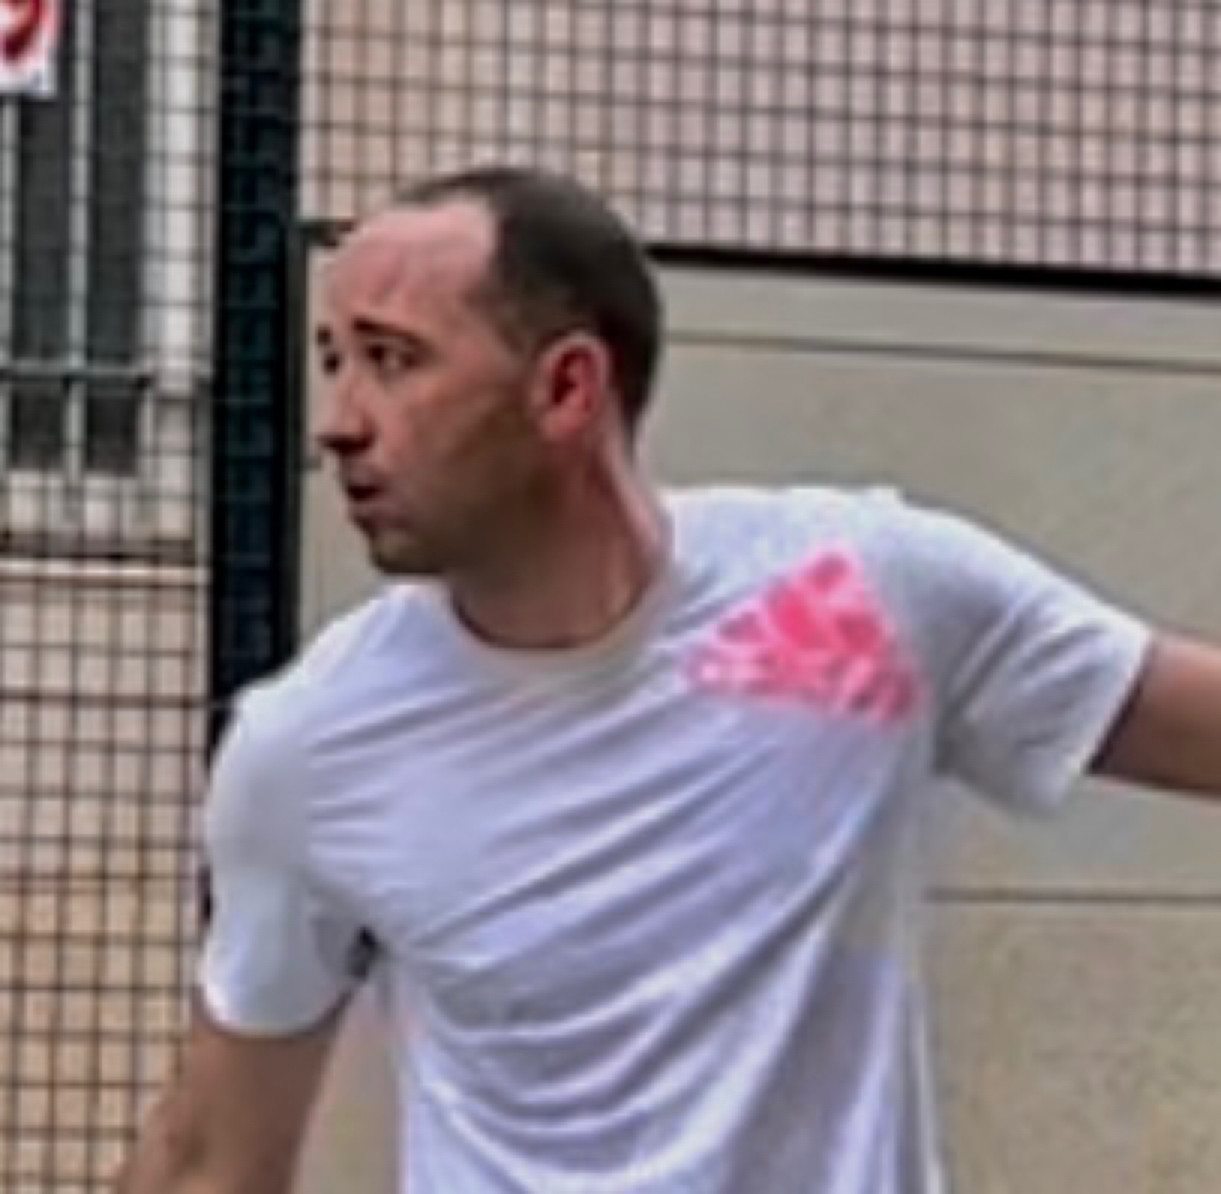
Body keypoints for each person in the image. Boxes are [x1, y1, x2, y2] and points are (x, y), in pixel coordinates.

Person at [116, 164, 1221, 1194]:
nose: (338, 424)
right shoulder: (311, 745)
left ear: (566, 388)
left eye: (393, 360)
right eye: (332, 361)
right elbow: (212, 1156)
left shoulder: (859, 594)